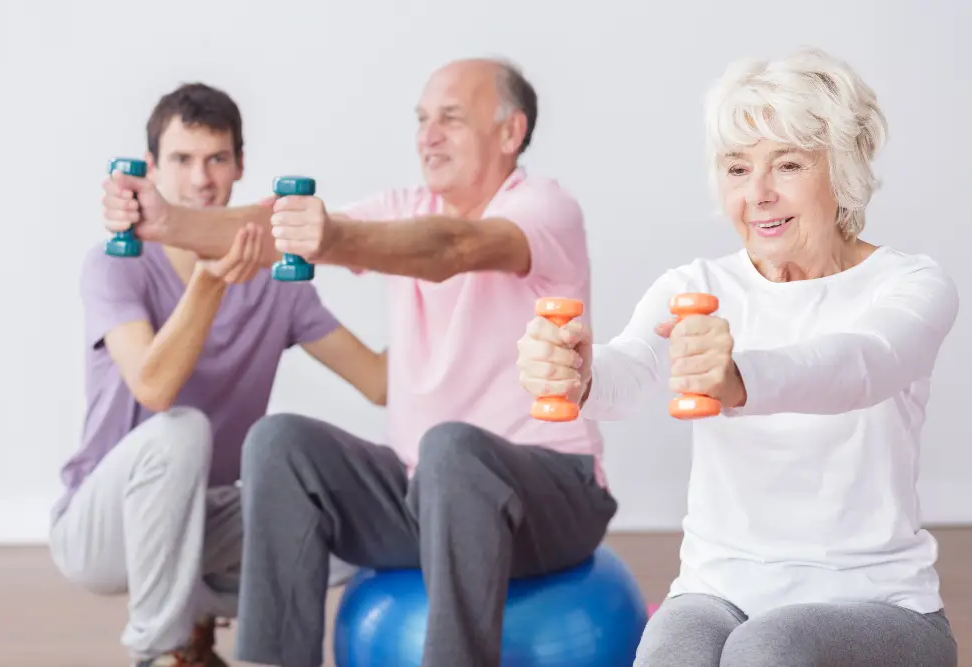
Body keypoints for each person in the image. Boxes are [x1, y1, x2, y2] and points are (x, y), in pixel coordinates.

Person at [99, 58, 617, 667]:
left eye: (450, 119)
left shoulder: (545, 208)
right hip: (421, 490)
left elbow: (451, 248)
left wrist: (333, 239)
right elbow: (270, 233)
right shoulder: (404, 205)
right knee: (280, 443)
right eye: (422, 120)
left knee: (453, 448)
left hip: (549, 494)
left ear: (510, 132)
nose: (427, 135)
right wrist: (166, 221)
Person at [517, 46, 960, 667]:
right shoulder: (694, 286)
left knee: (766, 648)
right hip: (719, 590)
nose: (759, 194)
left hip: (879, 603)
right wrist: (579, 372)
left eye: (787, 164)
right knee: (673, 648)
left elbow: (863, 363)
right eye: (736, 169)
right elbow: (631, 370)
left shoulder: (910, 284)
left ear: (844, 170)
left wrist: (738, 378)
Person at [54, 82, 386, 667]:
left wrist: (441, 294)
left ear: (240, 166)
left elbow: (380, 382)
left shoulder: (278, 284)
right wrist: (208, 286)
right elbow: (154, 388)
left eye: (217, 159)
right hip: (103, 528)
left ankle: (208, 623)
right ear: (152, 169)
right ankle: (158, 652)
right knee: (180, 431)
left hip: (205, 520)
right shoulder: (115, 264)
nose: (202, 180)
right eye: (182, 160)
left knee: (347, 508)